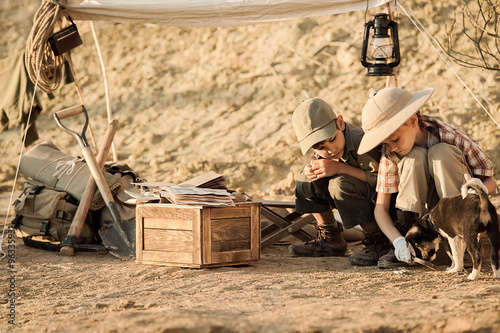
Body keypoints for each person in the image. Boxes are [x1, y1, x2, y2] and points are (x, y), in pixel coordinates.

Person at [357, 86, 497, 268]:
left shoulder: (452, 137)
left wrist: (480, 188)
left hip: (458, 214)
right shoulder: (390, 154)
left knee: (441, 153)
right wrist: (398, 241)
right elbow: (380, 209)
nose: (391, 147)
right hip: (424, 223)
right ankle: (416, 242)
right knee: (415, 157)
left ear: (413, 120)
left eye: (395, 139)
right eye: (386, 143)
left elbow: (491, 181)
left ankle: (462, 246)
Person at [290, 98, 392, 266]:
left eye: (332, 139)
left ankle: (378, 241)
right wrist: (314, 169)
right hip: (355, 194)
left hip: (381, 202)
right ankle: (331, 238)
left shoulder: (361, 141)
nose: (330, 150)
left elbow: (382, 180)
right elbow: (324, 163)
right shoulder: (328, 149)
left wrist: (339, 169)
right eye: (320, 147)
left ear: (340, 123)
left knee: (340, 185)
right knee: (306, 178)